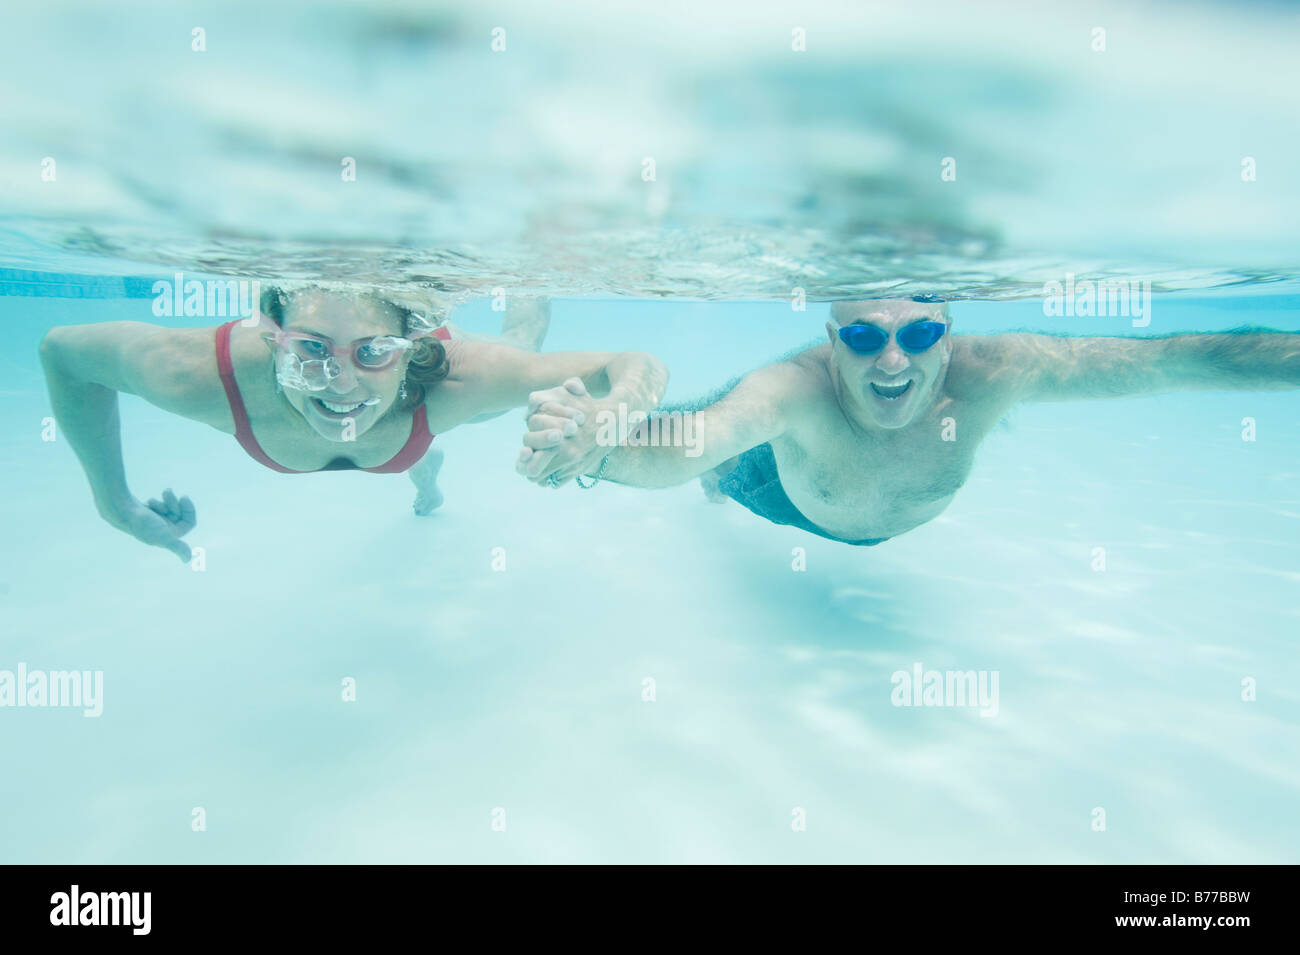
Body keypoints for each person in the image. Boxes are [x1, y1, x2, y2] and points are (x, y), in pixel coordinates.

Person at [518, 295, 1298, 545]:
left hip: (839, 487)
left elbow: (1180, 357)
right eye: (863, 337)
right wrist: (593, 449)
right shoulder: (793, 391)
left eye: (920, 334)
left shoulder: (999, 372)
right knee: (719, 459)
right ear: (833, 342)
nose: (893, 361)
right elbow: (692, 444)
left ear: (948, 336)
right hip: (781, 486)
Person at [41, 286, 667, 560]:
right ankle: (419, 459)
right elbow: (62, 353)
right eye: (312, 348)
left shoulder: (453, 379)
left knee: (517, 357)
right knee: (379, 421)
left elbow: (634, 363)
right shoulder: (198, 374)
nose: (338, 379)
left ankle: (424, 466)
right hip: (399, 421)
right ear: (272, 334)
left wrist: (610, 418)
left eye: (371, 351)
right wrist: (114, 503)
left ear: (410, 347)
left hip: (415, 417)